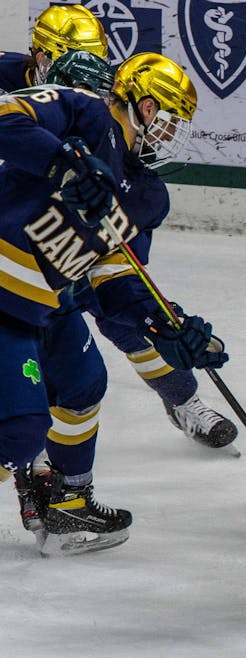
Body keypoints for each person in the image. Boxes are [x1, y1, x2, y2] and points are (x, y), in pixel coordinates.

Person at [0, 52, 228, 556]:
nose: (171, 138)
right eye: (170, 124)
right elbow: (4, 116)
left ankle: (69, 503)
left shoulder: (148, 195)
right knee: (19, 433)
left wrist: (165, 325)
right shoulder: (84, 111)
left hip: (44, 305)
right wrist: (64, 163)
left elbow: (114, 276)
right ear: (144, 107)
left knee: (84, 384)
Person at [0, 4, 108, 92]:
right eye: (72, 66)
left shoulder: (107, 89)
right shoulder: (4, 74)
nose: (84, 78)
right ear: (41, 58)